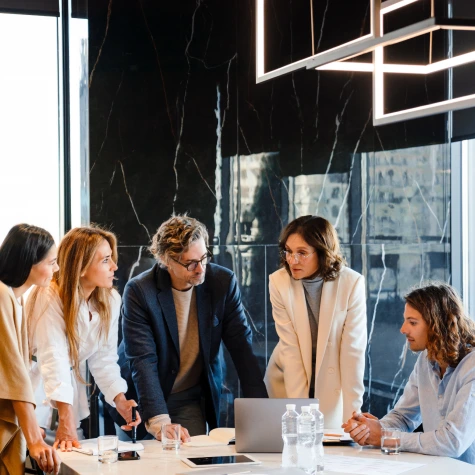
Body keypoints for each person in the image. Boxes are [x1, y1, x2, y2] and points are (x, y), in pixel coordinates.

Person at [116, 214, 268, 441]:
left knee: (191, 460)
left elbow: (241, 346)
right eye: (190, 263)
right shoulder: (140, 291)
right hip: (140, 396)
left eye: (204, 257)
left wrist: (262, 410)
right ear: (166, 261)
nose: (200, 269)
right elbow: (142, 359)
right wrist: (159, 421)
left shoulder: (222, 283)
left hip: (188, 396)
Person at [27, 226, 141, 451]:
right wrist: (66, 418)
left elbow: (104, 359)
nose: (114, 267)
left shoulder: (110, 300)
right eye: (106, 260)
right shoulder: (48, 295)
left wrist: (120, 400)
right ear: (81, 267)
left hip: (68, 394)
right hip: (33, 390)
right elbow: (53, 357)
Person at [342, 282, 475, 464]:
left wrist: (384, 436)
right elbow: (403, 417)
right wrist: (371, 428)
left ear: (437, 323)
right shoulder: (426, 360)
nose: (403, 329)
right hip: (437, 468)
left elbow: (452, 442)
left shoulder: (472, 366)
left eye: (412, 322)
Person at [264, 215, 367, 428]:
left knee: (332, 447)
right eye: (289, 251)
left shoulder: (351, 283)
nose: (292, 260)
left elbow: (352, 353)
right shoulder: (278, 282)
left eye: (302, 253)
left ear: (323, 252)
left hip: (331, 376)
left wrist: (353, 416)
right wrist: (299, 417)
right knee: (292, 442)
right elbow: (290, 349)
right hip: (288, 376)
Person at [0, 224, 61, 475]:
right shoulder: (2, 295)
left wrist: (33, 428)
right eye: (52, 262)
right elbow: (14, 374)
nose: (56, 269)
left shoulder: (16, 298)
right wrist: (34, 438)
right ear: (29, 262)